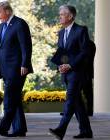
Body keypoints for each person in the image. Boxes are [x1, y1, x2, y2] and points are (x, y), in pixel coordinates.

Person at [50, 5, 93, 140]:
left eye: (62, 14)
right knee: (77, 103)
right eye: (60, 14)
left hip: (77, 72)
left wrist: (70, 64)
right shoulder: (61, 32)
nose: (60, 17)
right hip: (66, 73)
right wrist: (61, 66)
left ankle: (60, 130)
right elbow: (62, 53)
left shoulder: (81, 30)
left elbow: (85, 51)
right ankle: (86, 131)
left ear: (70, 16)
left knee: (70, 100)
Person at [0, 1, 33, 137]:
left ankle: (3, 127)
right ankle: (19, 129)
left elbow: (25, 47)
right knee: (14, 99)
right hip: (6, 69)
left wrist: (25, 64)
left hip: (17, 69)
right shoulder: (2, 26)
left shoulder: (20, 24)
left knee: (9, 98)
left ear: (7, 11)